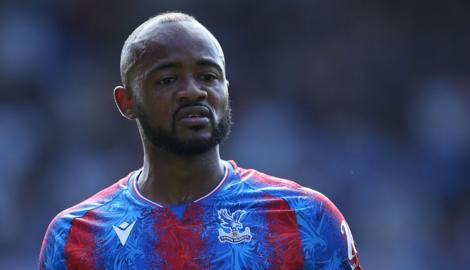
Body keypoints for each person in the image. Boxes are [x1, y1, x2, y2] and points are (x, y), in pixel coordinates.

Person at [38, 12, 362, 269]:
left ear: (226, 90)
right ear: (127, 103)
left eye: (208, 76)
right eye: (167, 79)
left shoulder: (306, 218)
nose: (193, 91)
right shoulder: (75, 237)